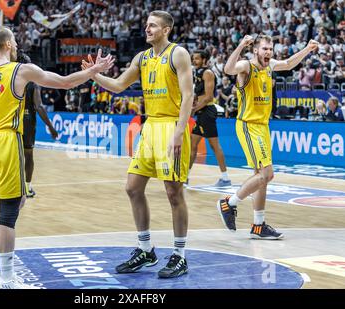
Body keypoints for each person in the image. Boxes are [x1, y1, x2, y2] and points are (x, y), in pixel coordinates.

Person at [0, 26, 114, 289]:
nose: (17, 45)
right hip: (7, 139)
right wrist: (93, 71)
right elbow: (64, 82)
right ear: (7, 44)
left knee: (15, 202)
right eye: (15, 41)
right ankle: (6, 279)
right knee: (10, 211)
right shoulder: (20, 70)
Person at [82, 11, 193, 278]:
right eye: (146, 25)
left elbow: (189, 94)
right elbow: (119, 85)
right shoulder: (142, 58)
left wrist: (179, 131)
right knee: (133, 187)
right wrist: (94, 74)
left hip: (171, 126)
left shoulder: (178, 54)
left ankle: (179, 256)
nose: (147, 29)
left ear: (166, 29)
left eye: (153, 25)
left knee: (173, 193)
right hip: (151, 125)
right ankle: (146, 250)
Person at [217, 34, 318, 239]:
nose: (268, 52)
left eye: (270, 49)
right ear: (256, 50)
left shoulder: (270, 65)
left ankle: (258, 225)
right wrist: (239, 45)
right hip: (248, 125)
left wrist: (307, 49)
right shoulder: (246, 66)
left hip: (262, 126)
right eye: (264, 49)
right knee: (266, 174)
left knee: (261, 178)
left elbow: (289, 63)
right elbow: (228, 69)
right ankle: (229, 203)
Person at [15, 51, 59, 198]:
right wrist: (51, 127)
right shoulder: (32, 83)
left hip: (12, 121)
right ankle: (27, 188)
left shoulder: (10, 80)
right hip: (27, 121)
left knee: (13, 156)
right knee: (28, 155)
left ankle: (13, 188)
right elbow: (39, 106)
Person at [187, 50, 231, 188]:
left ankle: (225, 179)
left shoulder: (208, 73)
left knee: (214, 146)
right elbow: (199, 94)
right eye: (193, 59)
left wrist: (194, 109)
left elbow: (208, 97)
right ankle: (185, 177)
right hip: (201, 112)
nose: (194, 61)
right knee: (192, 146)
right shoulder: (197, 73)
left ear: (205, 59)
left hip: (207, 111)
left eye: (197, 59)